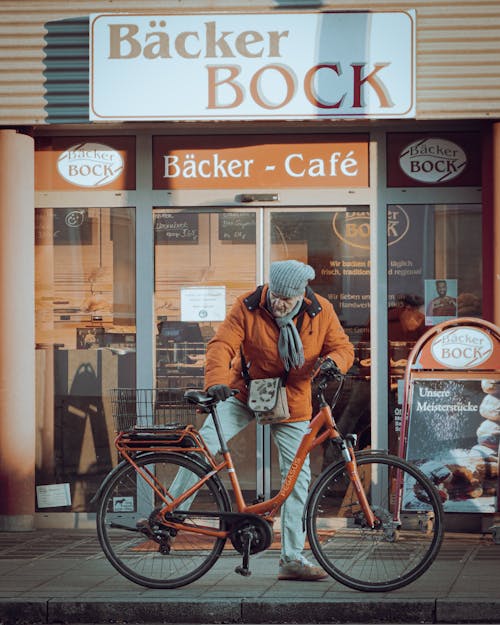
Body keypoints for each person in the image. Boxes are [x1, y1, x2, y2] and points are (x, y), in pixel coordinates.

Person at [173, 260, 354, 581]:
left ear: (302, 295)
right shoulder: (248, 305)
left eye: (287, 298)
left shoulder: (320, 311)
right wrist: (216, 380)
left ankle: (292, 559)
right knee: (204, 446)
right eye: (276, 295)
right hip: (245, 391)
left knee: (297, 480)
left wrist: (333, 363)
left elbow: (342, 347)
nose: (279, 303)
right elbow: (221, 344)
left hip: (293, 398)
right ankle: (171, 513)